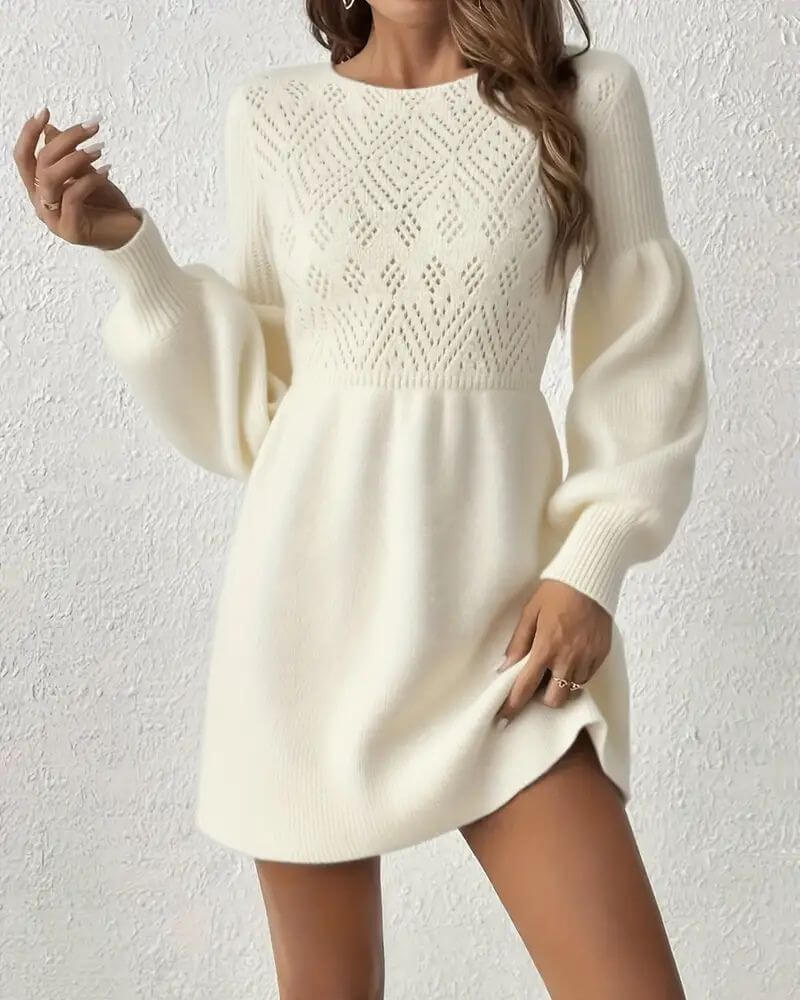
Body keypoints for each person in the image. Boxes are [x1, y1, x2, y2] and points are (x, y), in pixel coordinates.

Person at [14, 0, 708, 995]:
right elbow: (255, 410)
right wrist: (132, 251)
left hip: (508, 630)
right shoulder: (272, 115)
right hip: (306, 629)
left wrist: (592, 564)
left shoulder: (582, 98)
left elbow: (642, 347)